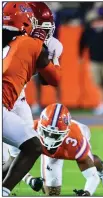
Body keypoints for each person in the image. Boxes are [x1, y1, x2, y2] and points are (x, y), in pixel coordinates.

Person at [2, 2, 63, 192]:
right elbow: (54, 79)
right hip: (5, 103)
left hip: (14, 102)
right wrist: (52, 57)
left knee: (20, 150)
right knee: (32, 147)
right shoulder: (31, 44)